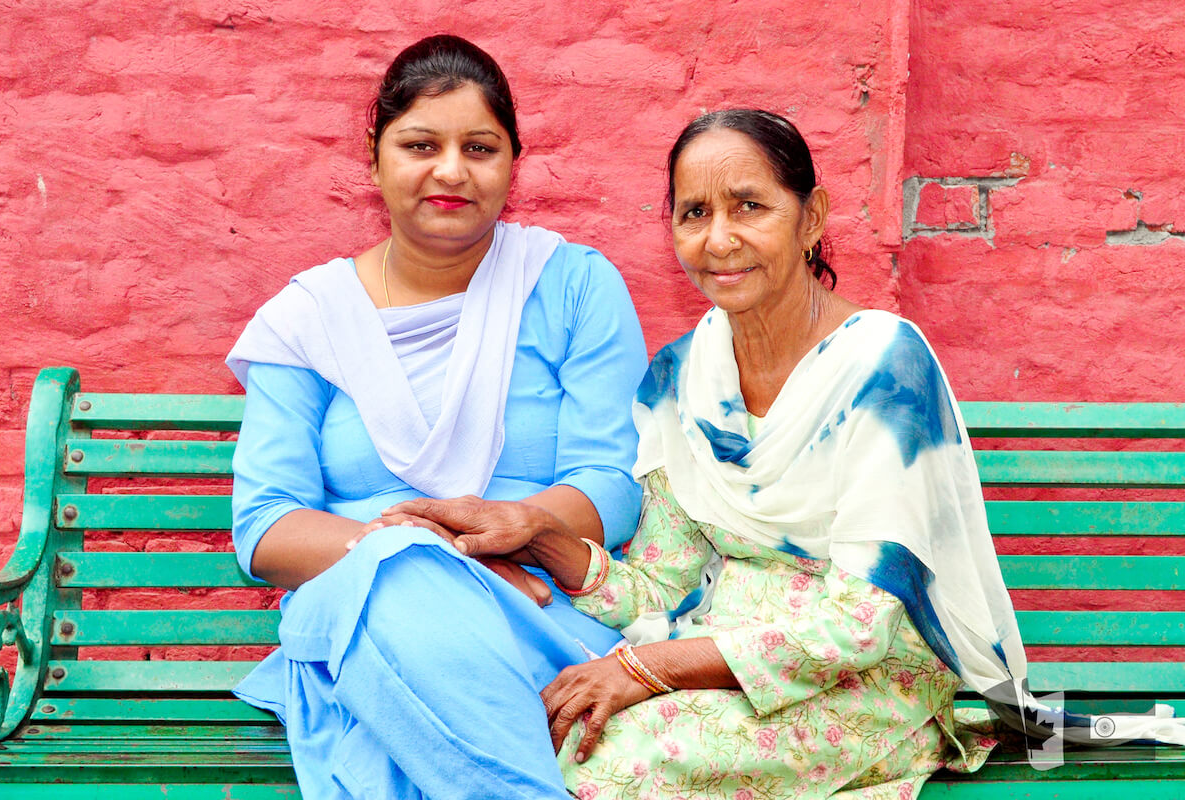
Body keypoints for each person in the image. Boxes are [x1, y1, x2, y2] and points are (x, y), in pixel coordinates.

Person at [386, 109, 1015, 798]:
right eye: (694, 213)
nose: (720, 239)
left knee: (613, 763)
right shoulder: (681, 379)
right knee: (535, 734)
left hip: (865, 684)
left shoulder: (884, 368)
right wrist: (542, 537)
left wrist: (644, 669)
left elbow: (859, 626)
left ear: (811, 219)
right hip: (714, 666)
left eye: (750, 206)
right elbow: (662, 585)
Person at [225, 35, 647, 800]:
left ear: (513, 161)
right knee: (393, 577)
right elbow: (266, 527)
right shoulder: (309, 318)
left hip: (537, 610)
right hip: (360, 600)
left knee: (390, 710)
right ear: (375, 154)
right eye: (421, 144)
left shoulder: (573, 286)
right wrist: (411, 549)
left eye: (479, 147)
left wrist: (514, 525)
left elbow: (611, 485)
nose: (451, 170)